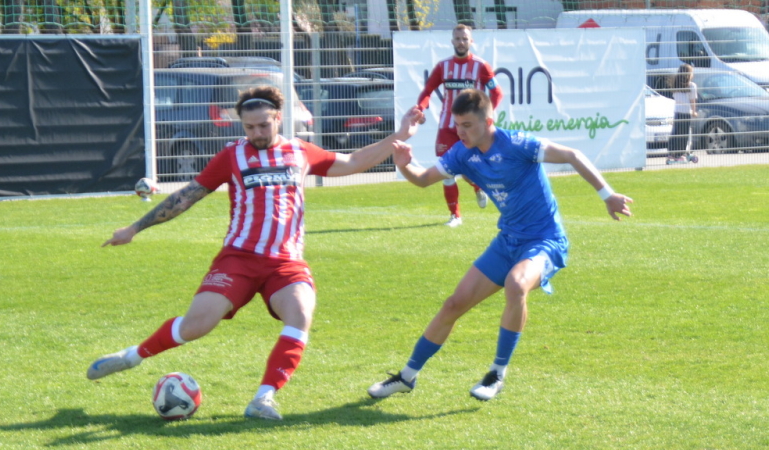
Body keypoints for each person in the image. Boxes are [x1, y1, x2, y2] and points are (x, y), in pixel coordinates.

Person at [87, 86, 423, 420]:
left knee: (300, 315)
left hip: (286, 263)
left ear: (278, 118)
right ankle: (132, 356)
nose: (257, 133)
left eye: (264, 125)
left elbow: (353, 161)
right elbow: (185, 196)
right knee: (196, 325)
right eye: (249, 127)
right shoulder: (232, 156)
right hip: (239, 259)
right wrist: (135, 228)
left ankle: (263, 399)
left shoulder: (300, 151)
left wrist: (401, 134)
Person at [367, 89, 633, 401]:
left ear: (489, 121)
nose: (460, 132)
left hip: (545, 241)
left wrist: (608, 195)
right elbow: (423, 179)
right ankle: (406, 377)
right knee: (454, 304)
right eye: (457, 125)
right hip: (508, 241)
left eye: (467, 125)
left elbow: (573, 155)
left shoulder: (517, 144)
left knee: (516, 285)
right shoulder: (461, 153)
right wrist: (403, 165)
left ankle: (497, 374)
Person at [417, 24, 504, 227]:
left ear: (471, 41)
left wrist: (487, 115)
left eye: (465, 39)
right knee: (446, 171)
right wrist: (420, 108)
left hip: (472, 128)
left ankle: (478, 186)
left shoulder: (481, 66)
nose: (461, 42)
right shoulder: (443, 66)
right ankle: (455, 216)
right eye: (458, 38)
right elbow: (428, 90)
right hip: (447, 127)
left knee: (469, 168)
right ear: (452, 41)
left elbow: (497, 93)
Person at [667, 64, 698, 164]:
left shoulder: (675, 84)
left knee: (676, 132)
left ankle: (672, 153)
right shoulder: (692, 86)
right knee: (683, 134)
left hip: (677, 111)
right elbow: (692, 100)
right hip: (685, 112)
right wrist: (694, 111)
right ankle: (679, 154)